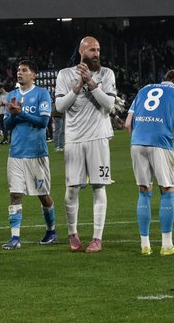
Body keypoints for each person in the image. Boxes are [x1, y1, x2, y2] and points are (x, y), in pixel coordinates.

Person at [55, 36, 117, 253]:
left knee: (99, 187)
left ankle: (97, 238)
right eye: (92, 50)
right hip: (74, 139)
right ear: (81, 51)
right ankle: (72, 233)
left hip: (98, 137)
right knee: (72, 189)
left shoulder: (107, 74)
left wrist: (91, 83)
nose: (96, 54)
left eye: (98, 49)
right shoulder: (64, 75)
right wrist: (78, 85)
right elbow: (60, 107)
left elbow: (109, 104)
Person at [125, 69, 174, 256]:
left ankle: (145, 245)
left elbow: (128, 123)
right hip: (161, 142)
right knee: (167, 191)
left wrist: (137, 140)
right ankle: (167, 245)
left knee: (144, 191)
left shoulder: (143, 89)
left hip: (137, 142)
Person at [1, 60, 57, 250]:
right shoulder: (12, 95)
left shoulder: (42, 94)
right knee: (15, 194)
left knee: (43, 194)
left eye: (24, 70)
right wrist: (12, 114)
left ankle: (51, 231)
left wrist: (21, 113)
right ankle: (15, 237)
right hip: (16, 153)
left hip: (37, 153)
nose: (19, 73)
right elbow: (7, 125)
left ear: (34, 75)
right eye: (18, 70)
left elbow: (43, 122)